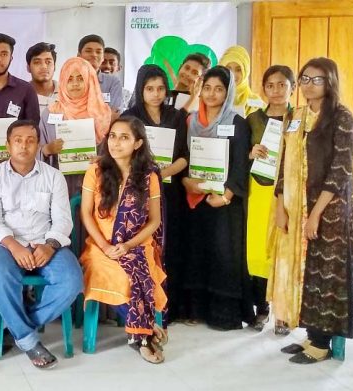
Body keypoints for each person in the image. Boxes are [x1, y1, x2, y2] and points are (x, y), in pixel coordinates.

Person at [275, 58, 353, 364]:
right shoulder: (296, 115)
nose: (309, 85)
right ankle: (312, 333)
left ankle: (322, 343)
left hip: (330, 210)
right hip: (298, 206)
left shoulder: (341, 118)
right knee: (305, 271)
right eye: (305, 79)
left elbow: (340, 172)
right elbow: (284, 163)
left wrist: (316, 213)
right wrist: (281, 206)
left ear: (331, 82)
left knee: (326, 272)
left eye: (317, 80)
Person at [0, 119, 83, 370]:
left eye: (30, 141)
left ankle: (16, 325)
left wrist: (49, 245)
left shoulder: (53, 176)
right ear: (7, 145)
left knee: (72, 280)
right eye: (18, 140)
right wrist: (14, 246)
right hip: (8, 246)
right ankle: (29, 341)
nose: (24, 146)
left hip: (46, 243)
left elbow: (63, 220)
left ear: (38, 145)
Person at [79, 117, 167, 364]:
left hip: (137, 243)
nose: (116, 143)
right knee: (118, 274)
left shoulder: (149, 176)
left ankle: (140, 332)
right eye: (113, 136)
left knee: (139, 273)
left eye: (124, 137)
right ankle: (144, 333)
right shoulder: (95, 171)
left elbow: (154, 221)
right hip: (100, 245)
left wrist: (128, 245)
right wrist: (106, 246)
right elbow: (86, 213)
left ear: (138, 143)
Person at [179, 66, 254, 329]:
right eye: (207, 87)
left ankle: (223, 315)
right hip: (194, 198)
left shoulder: (237, 123)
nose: (212, 94)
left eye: (219, 89)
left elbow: (240, 165)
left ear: (228, 92)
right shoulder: (189, 121)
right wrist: (187, 181)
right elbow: (182, 158)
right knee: (196, 252)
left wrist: (226, 195)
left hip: (224, 202)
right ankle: (195, 310)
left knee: (224, 254)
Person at [120, 65, 190, 325]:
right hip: (139, 192)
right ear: (141, 89)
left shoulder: (176, 116)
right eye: (150, 89)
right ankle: (145, 305)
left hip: (170, 191)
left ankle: (168, 308)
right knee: (146, 247)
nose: (156, 94)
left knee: (169, 248)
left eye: (161, 88)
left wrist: (164, 172)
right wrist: (149, 177)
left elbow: (185, 156)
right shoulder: (130, 117)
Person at [245, 65, 295, 334]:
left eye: (282, 85)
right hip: (259, 190)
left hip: (288, 194)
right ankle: (262, 309)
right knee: (257, 252)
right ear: (263, 88)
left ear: (292, 88)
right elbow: (239, 156)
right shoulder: (252, 119)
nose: (276, 91)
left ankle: (284, 313)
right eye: (270, 85)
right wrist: (251, 153)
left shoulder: (300, 118)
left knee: (283, 251)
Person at [39, 57, 112, 194]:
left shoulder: (104, 114)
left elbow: (117, 154)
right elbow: (37, 153)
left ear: (90, 80)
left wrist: (105, 160)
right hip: (58, 186)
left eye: (80, 78)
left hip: (97, 185)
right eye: (69, 79)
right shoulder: (50, 113)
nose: (75, 84)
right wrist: (47, 149)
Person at [77, 34, 123, 113]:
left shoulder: (113, 82)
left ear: (102, 58)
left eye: (98, 52)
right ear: (79, 56)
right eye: (88, 51)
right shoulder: (69, 79)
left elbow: (114, 112)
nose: (94, 55)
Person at [219, 46, 265, 117]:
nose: (233, 74)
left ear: (245, 72)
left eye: (238, 70)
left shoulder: (255, 102)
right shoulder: (212, 98)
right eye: (228, 69)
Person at [26, 42, 58, 109]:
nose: (44, 66)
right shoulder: (20, 95)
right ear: (28, 68)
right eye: (37, 62)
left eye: (48, 62)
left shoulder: (68, 92)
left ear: (54, 66)